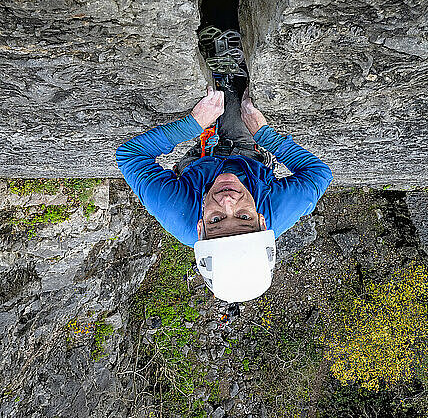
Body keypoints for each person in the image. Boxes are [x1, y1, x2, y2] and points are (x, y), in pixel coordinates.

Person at [116, 82, 333, 303]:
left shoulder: (179, 215)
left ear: (200, 226)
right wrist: (264, 134)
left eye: (217, 219)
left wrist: (192, 124)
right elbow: (318, 175)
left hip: (199, 166)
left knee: (213, 96)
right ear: (262, 221)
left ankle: (207, 139)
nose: (228, 201)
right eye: (244, 217)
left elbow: (131, 156)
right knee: (237, 94)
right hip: (248, 160)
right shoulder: (276, 212)